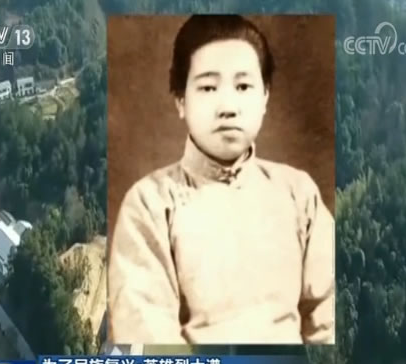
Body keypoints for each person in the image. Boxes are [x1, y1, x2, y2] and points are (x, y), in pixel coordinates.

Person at [107, 14, 335, 345]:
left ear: (265, 97)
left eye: (243, 87)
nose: (228, 107)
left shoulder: (298, 194)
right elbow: (146, 333)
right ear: (181, 100)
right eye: (208, 88)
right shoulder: (149, 203)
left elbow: (329, 319)